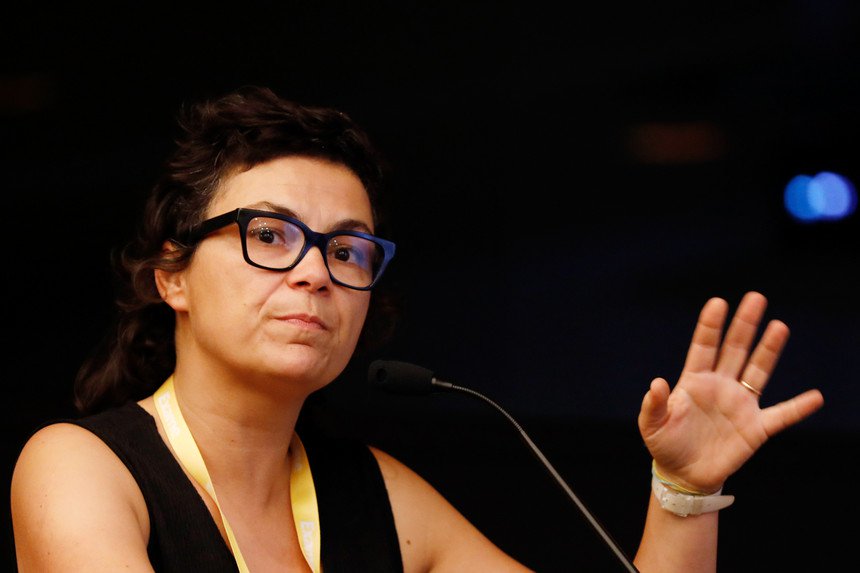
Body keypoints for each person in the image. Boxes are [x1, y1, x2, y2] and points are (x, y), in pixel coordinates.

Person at [9, 84, 825, 573]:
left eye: (347, 250)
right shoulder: (80, 467)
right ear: (173, 275)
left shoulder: (376, 494)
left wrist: (685, 493)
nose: (314, 272)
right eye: (270, 235)